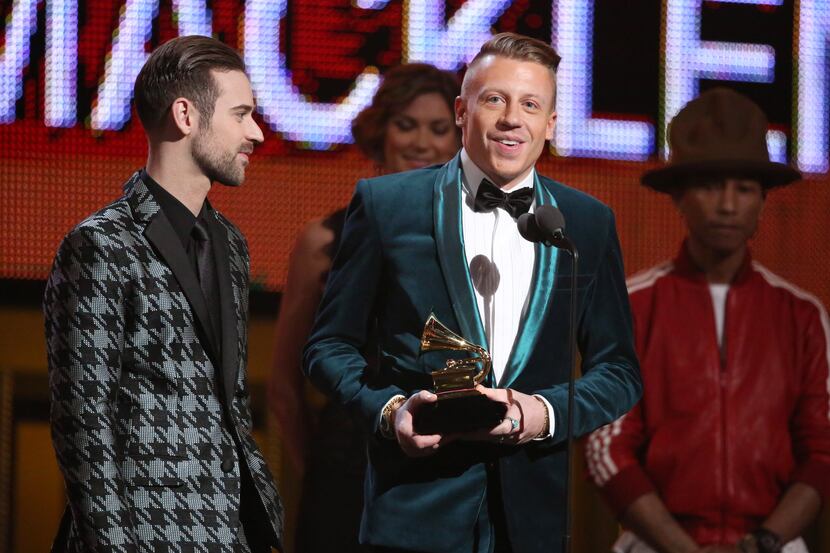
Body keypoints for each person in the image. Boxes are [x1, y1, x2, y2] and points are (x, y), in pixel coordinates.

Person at [303, 32, 642, 553]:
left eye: (530, 104)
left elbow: (619, 372)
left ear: (550, 124)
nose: (512, 118)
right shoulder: (387, 204)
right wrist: (391, 411)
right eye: (494, 100)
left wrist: (541, 413)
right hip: (414, 514)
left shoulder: (587, 225)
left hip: (532, 522)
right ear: (463, 111)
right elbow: (328, 348)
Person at [43, 36, 283, 552]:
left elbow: (228, 404)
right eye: (240, 114)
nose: (256, 133)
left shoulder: (231, 245)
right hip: (142, 532)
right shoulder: (101, 244)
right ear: (185, 115)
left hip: (229, 530)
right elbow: (83, 420)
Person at [585, 88, 830, 553]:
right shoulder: (632, 305)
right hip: (654, 544)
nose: (727, 204)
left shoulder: (801, 315)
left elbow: (822, 449)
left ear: (763, 199)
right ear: (678, 195)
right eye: (710, 185)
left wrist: (763, 542)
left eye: (744, 188)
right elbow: (607, 448)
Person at [268, 63, 460, 552]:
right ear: (381, 134)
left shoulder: (476, 245)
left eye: (439, 129)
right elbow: (284, 386)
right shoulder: (325, 240)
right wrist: (320, 475)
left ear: (459, 143)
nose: (422, 142)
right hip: (345, 479)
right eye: (406, 124)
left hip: (444, 484)